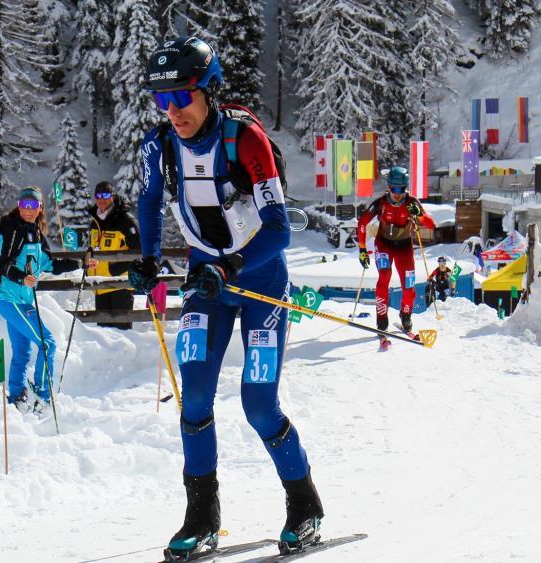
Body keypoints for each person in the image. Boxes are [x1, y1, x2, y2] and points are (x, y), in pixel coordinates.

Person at [128, 36, 322, 558]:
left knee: (259, 405)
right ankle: (201, 515)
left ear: (209, 91)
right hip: (204, 283)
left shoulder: (245, 139)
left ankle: (304, 503)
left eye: (181, 98)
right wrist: (147, 260)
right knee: (193, 398)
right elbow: (148, 203)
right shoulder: (158, 144)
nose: (172, 112)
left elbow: (280, 229)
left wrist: (232, 265)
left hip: (259, 280)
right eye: (160, 100)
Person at [0, 187, 98, 414]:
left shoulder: (36, 233)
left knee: (22, 352)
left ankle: (17, 397)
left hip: (23, 300)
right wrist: (21, 277)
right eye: (24, 205)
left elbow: (51, 264)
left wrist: (80, 264)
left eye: (33, 205)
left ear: (40, 208)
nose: (28, 210)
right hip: (11, 299)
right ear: (18, 205)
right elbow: (2, 262)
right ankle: (42, 394)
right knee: (47, 343)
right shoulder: (10, 229)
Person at [356, 166, 437, 332]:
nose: (398, 193)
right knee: (384, 275)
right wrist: (362, 250)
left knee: (409, 286)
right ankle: (381, 316)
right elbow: (362, 223)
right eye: (394, 189)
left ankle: (405, 315)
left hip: (404, 247)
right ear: (389, 188)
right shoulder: (381, 203)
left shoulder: (411, 203)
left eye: (401, 189)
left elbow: (431, 224)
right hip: (384, 244)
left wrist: (420, 215)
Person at [87, 181, 140, 329]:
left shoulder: (125, 220)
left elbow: (137, 251)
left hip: (120, 285)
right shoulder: (95, 221)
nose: (102, 199)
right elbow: (92, 248)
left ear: (113, 196)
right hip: (99, 283)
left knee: (121, 334)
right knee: (103, 336)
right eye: (98, 195)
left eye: (106, 195)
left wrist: (114, 269)